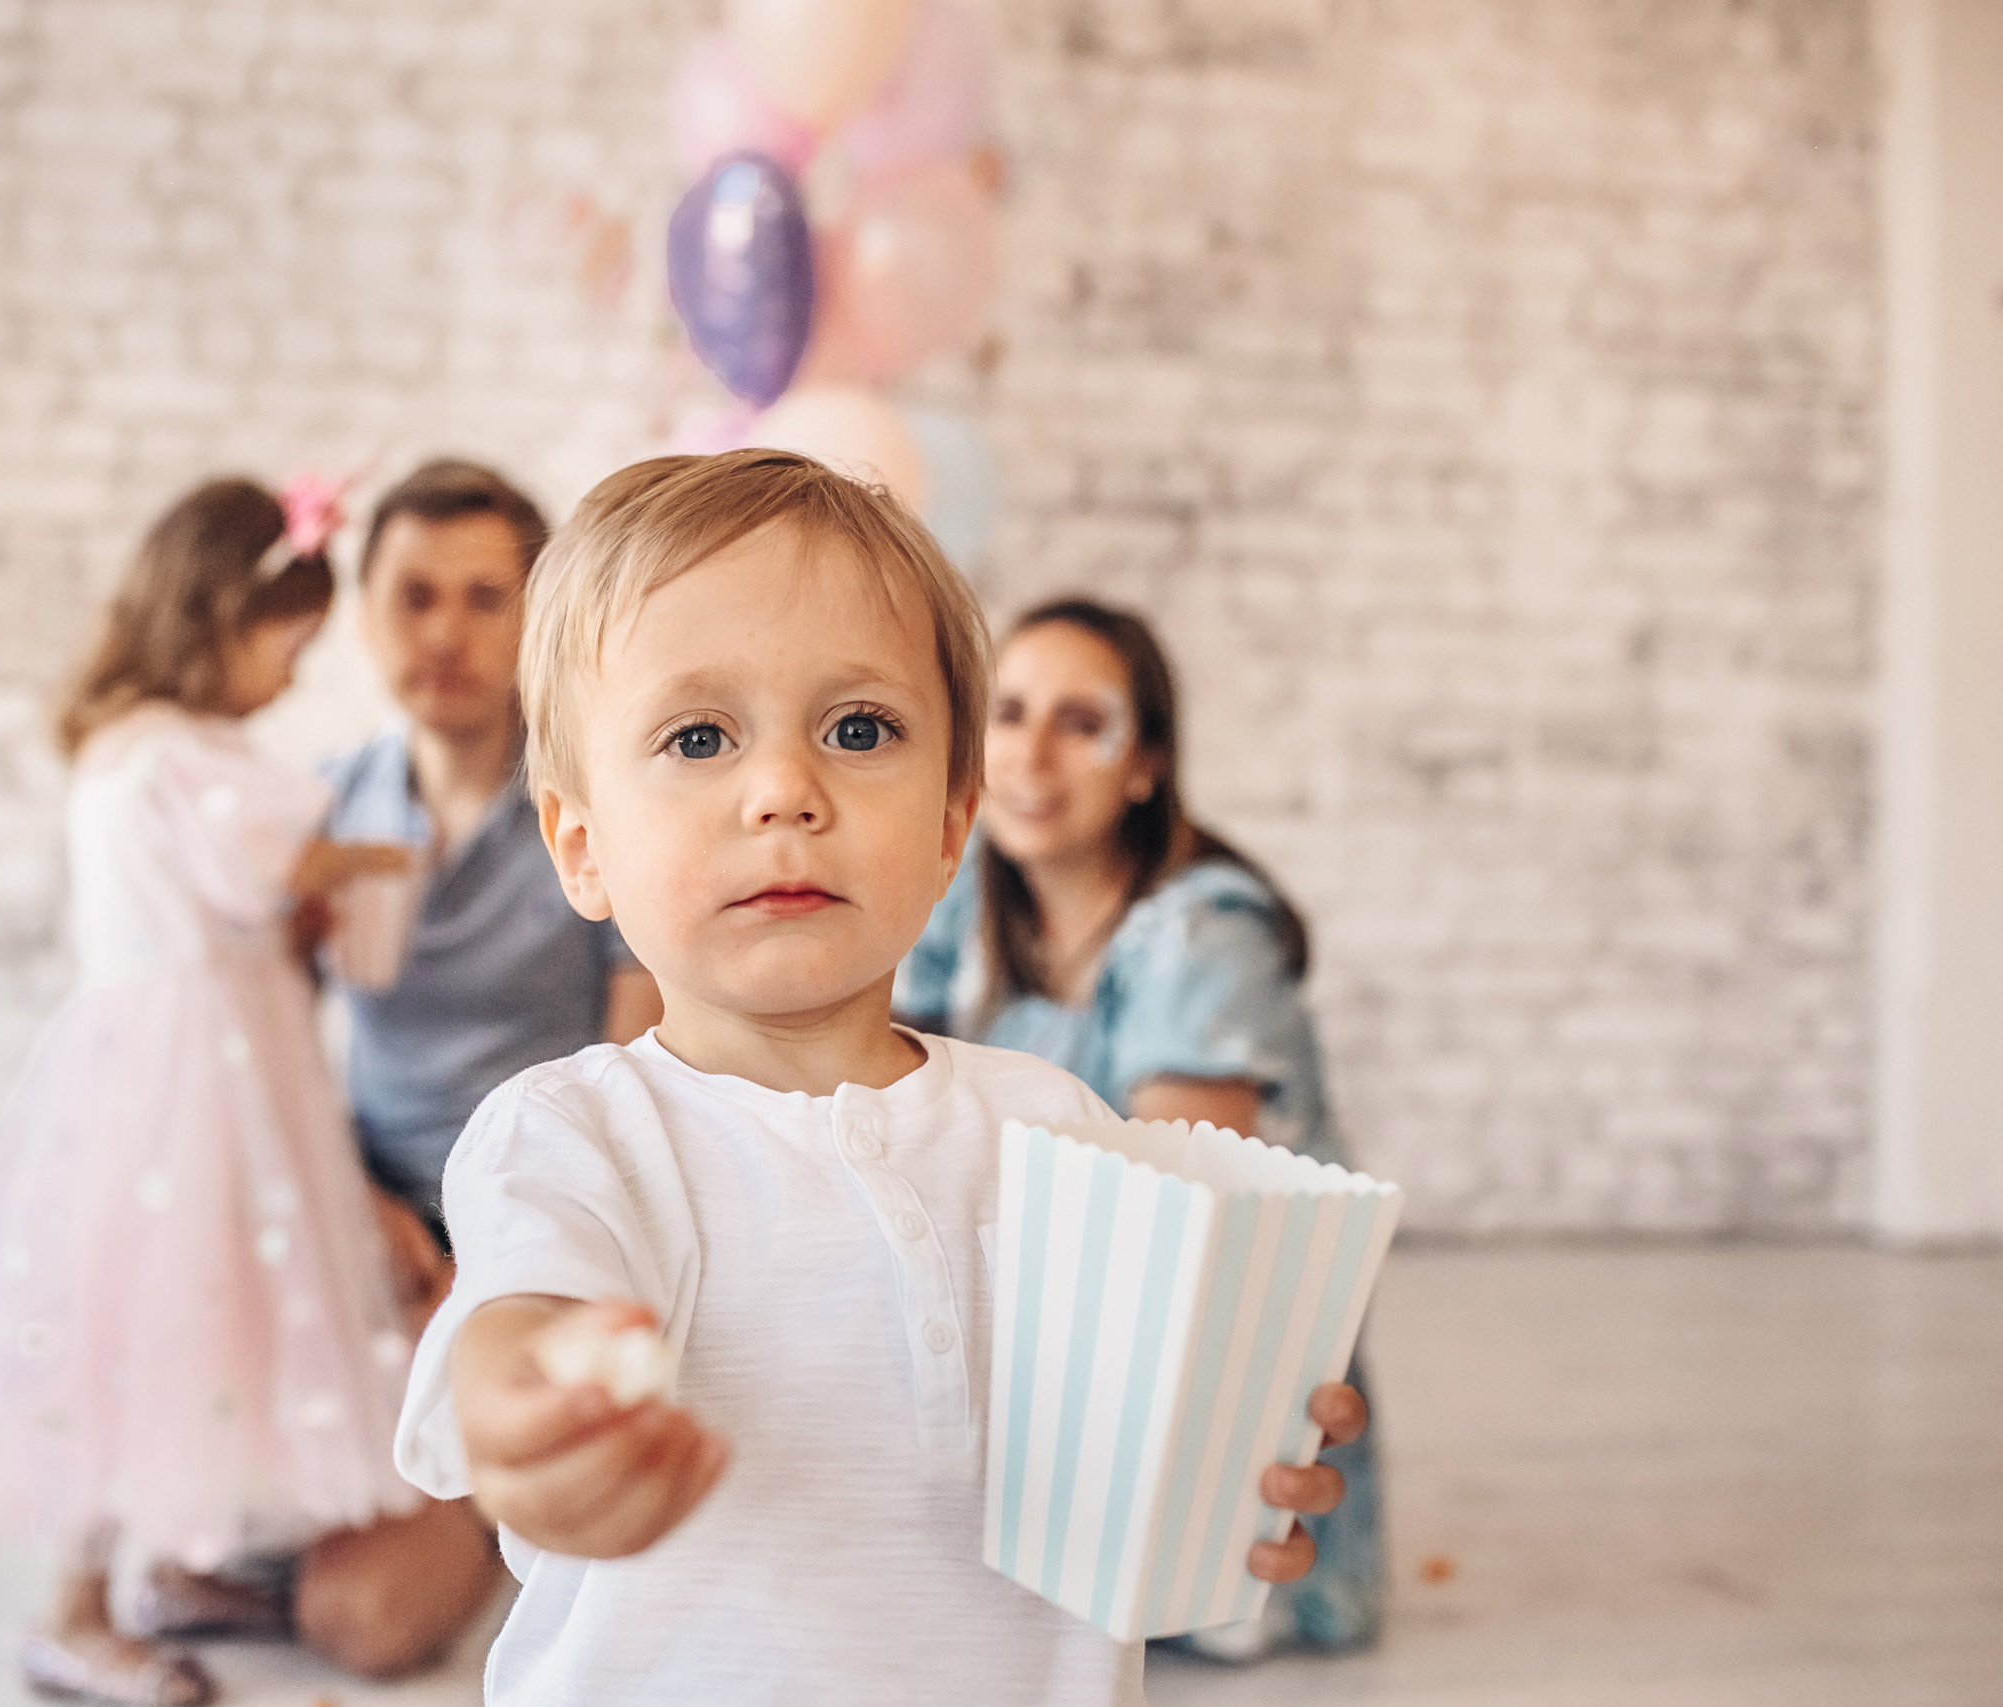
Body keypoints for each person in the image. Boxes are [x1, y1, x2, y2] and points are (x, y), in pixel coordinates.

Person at [393, 449, 1367, 1704]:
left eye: (859, 730)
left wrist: (1226, 1465)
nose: (785, 792)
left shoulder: (1053, 1126)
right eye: (699, 736)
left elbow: (1137, 1448)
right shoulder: (574, 1134)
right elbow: (519, 1312)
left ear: (952, 824)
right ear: (581, 847)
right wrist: (530, 1406)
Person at [0, 476, 499, 1707]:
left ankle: (178, 1564)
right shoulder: (178, 757)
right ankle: (73, 1609)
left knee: (212, 1326)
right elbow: (286, 858)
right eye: (286, 647)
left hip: (207, 1067)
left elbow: (251, 896)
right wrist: (380, 858)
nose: (289, 677)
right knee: (151, 1329)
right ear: (220, 618)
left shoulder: (139, 750)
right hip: (191, 1087)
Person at [894, 596, 1386, 1660]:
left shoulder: (1200, 935)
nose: (1031, 756)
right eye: (1009, 713)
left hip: (1196, 1372)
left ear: (1145, 765)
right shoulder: (973, 894)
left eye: (1082, 723)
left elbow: (1169, 1241)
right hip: (1046, 1326)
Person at [318, 460, 662, 1242]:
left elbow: (637, 1065)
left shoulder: (599, 808)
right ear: (364, 615)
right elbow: (263, 1046)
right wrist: (367, 1215)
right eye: (415, 597)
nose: (445, 635)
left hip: (558, 1210)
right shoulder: (320, 806)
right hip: (366, 1222)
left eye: (484, 598)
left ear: (537, 618)